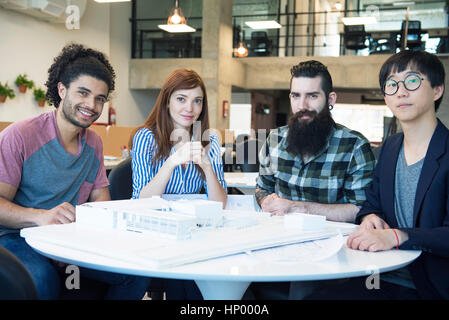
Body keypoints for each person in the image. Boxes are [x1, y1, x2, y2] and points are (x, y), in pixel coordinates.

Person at [0, 43, 150, 299]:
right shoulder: (20, 135)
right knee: (42, 280)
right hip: (17, 238)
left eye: (100, 98)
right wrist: (40, 217)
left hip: (68, 240)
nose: (91, 105)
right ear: (61, 89)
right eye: (83, 93)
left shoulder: (94, 143)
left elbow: (102, 202)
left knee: (136, 271)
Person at [308, 50, 448, 300]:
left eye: (412, 81)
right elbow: (372, 203)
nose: (401, 92)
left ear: (437, 90)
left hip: (429, 285)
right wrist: (371, 217)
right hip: (379, 274)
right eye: (391, 85)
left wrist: (395, 235)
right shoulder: (390, 148)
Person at [246, 60, 376, 300]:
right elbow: (262, 188)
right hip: (276, 242)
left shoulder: (354, 145)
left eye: (312, 96)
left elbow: (360, 209)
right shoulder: (274, 139)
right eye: (296, 96)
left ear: (331, 99)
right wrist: (265, 201)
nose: (302, 105)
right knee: (235, 281)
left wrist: (299, 208)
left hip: (331, 250)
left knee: (302, 288)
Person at [129, 68, 227, 299]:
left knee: (201, 270)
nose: (189, 109)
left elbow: (220, 203)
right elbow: (141, 201)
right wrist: (171, 162)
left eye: (197, 101)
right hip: (157, 230)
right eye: (181, 99)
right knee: (185, 272)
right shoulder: (146, 137)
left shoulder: (209, 139)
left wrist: (206, 167)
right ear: (166, 101)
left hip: (195, 229)